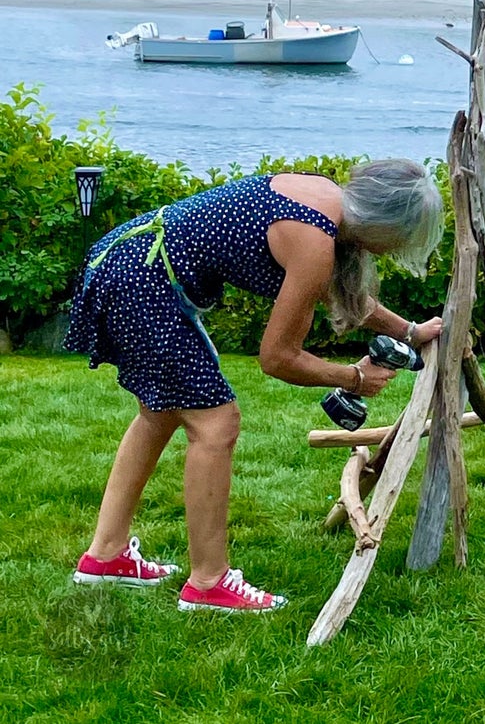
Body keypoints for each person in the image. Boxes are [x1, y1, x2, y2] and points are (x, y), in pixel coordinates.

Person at [65, 162, 444, 613]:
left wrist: (410, 332)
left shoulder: (324, 200)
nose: (395, 249)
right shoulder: (314, 240)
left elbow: (346, 297)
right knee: (216, 424)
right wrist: (354, 378)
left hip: (130, 262)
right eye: (401, 239)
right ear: (384, 227)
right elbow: (278, 358)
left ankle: (104, 556)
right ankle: (209, 583)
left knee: (161, 413)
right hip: (144, 281)